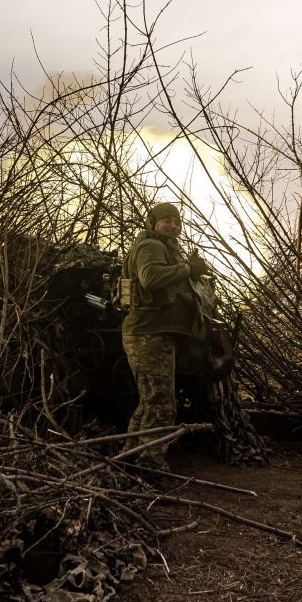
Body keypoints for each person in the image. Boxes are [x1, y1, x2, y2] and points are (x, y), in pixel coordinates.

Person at [121, 201, 209, 474]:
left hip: (153, 334)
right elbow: (150, 277)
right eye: (167, 220)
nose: (173, 225)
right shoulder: (151, 246)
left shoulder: (162, 247)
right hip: (149, 335)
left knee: (150, 401)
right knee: (161, 404)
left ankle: (128, 458)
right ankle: (151, 467)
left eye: (177, 221)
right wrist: (188, 269)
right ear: (153, 223)